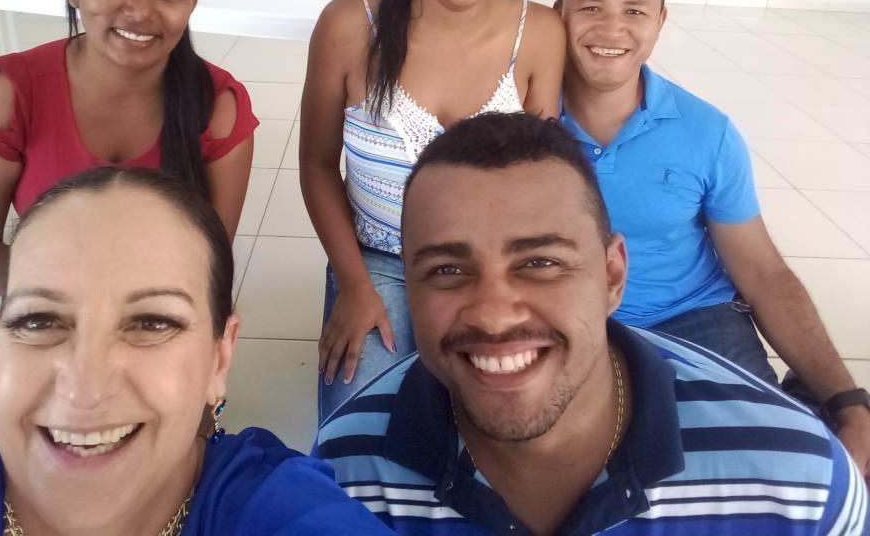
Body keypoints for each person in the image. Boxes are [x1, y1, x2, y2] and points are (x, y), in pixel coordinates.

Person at [316, 113, 868, 534]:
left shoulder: (800, 485)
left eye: (540, 263)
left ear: (612, 276)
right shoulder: (344, 473)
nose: (493, 314)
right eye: (447, 270)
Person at [0, 167, 393, 536]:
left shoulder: (279, 511)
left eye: (152, 322)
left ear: (219, 358)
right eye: (38, 321)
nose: (85, 389)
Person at [555, 0, 869, 477]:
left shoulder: (707, 132)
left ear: (660, 21)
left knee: (768, 467)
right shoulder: (520, 120)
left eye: (635, 11)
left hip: (694, 316)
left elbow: (763, 272)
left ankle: (801, 402)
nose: (612, 29)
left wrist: (846, 399)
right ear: (557, 13)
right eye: (591, 7)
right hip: (566, 321)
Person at [301, 0, 566, 422]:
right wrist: (354, 284)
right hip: (379, 258)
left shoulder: (541, 33)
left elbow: (544, 183)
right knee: (359, 433)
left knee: (501, 427)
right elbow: (317, 166)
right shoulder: (349, 25)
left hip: (492, 268)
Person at [0, 0, 258, 296]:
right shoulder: (13, 92)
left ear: (192, 3)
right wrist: (66, 305)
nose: (140, 11)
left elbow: (211, 263)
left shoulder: (218, 105)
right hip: (51, 306)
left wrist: (138, 316)